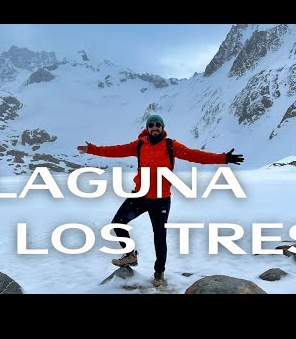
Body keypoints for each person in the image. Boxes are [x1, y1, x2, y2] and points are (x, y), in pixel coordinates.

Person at [77, 114, 244, 286]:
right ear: (147, 128)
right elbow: (115, 151)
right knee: (117, 223)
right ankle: (130, 255)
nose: (154, 127)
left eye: (158, 125)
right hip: (140, 195)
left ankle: (159, 273)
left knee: (159, 237)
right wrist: (93, 149)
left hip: (161, 200)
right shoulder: (139, 145)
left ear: (162, 127)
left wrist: (223, 158)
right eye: (151, 125)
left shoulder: (171, 145)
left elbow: (197, 156)